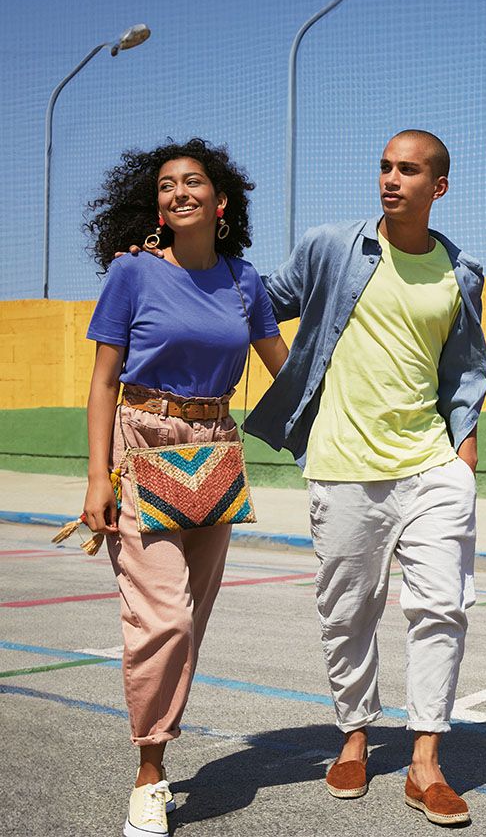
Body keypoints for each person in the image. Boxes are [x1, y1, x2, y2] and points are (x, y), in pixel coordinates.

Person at [243, 129, 486, 826]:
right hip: (344, 466)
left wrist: (463, 457)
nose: (390, 179)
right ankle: (353, 737)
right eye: (384, 166)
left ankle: (425, 763)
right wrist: (169, 263)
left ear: (437, 188)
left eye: (408, 170)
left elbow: (467, 370)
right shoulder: (332, 247)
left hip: (431, 467)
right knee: (348, 613)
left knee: (442, 608)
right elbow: (256, 299)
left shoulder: (461, 271)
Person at [83, 138, 288, 837]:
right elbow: (103, 382)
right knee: (162, 617)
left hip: (213, 450)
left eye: (192, 182)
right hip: (140, 443)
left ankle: (159, 744)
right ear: (159, 207)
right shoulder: (133, 274)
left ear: (220, 201)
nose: (179, 192)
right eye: (167, 185)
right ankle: (148, 773)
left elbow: (283, 372)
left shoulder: (243, 282)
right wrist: (94, 481)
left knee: (189, 619)